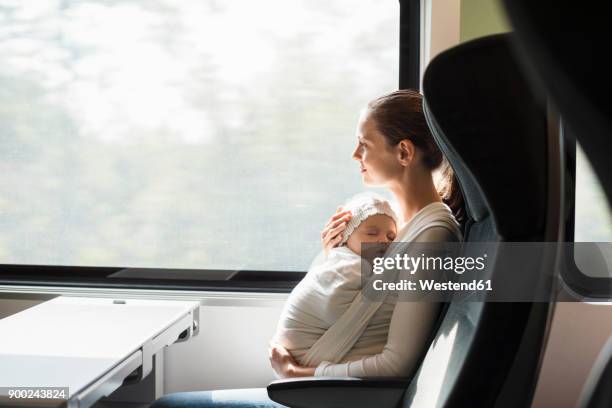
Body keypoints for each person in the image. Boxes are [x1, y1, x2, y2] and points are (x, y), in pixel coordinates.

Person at [149, 89, 464, 408]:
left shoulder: (432, 237)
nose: (355, 155)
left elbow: (397, 364)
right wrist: (336, 258)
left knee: (167, 406)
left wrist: (301, 373)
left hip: (337, 394)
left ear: (404, 153)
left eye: (364, 145)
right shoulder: (397, 226)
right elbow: (363, 303)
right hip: (323, 386)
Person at [271, 193, 398, 370]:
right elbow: (336, 308)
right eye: (371, 233)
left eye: (392, 238)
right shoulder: (348, 265)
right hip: (305, 357)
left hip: (296, 356)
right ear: (345, 237)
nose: (384, 241)